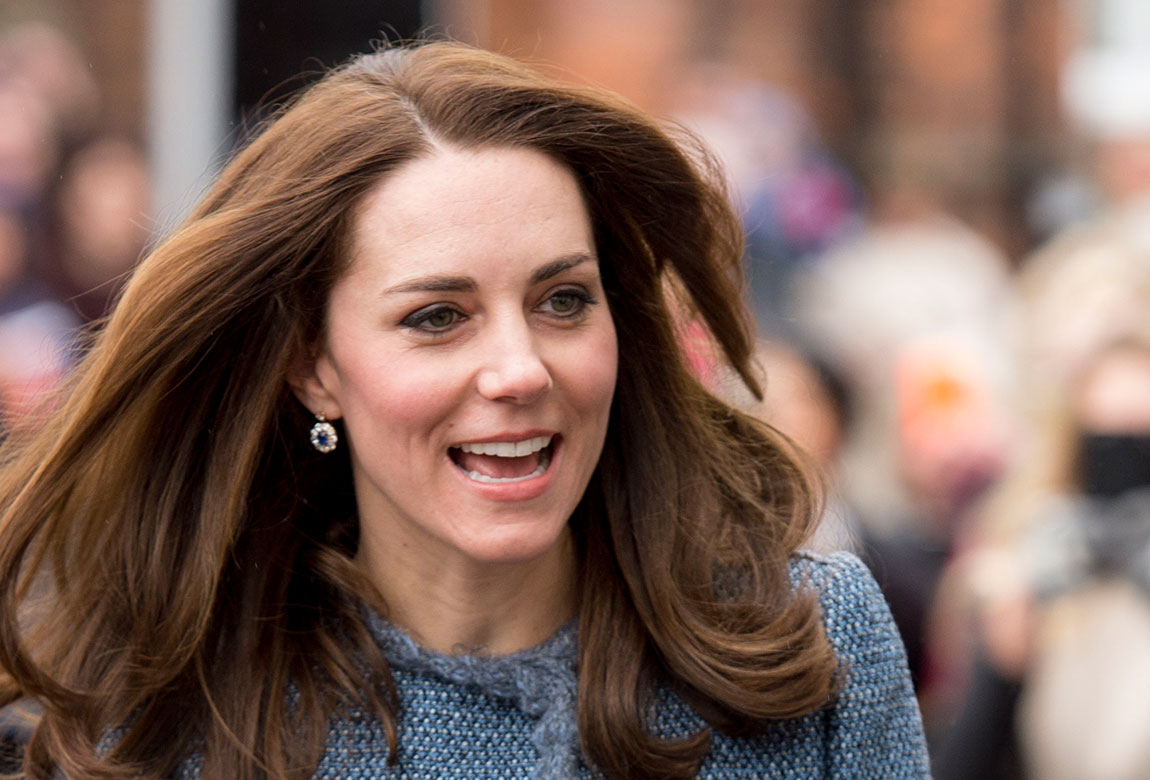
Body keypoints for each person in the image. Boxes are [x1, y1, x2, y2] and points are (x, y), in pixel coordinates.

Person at [0, 42, 928, 780]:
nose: (519, 371)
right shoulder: (168, 720)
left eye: (563, 300)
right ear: (312, 368)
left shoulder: (811, 645)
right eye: (437, 317)